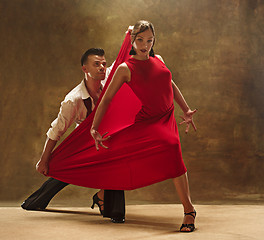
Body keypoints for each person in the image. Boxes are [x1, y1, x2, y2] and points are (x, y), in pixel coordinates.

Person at [90, 20, 197, 232]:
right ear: (131, 40)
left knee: (172, 147)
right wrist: (94, 128)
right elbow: (107, 99)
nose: (144, 44)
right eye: (140, 40)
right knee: (117, 150)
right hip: (147, 121)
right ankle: (102, 193)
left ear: (154, 40)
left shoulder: (159, 59)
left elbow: (170, 83)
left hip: (166, 117)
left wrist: (185, 109)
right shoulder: (125, 68)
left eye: (149, 40)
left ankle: (189, 210)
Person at [21, 48, 125, 223]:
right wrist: (44, 160)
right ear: (85, 69)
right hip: (85, 143)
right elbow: (56, 130)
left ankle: (114, 211)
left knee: (116, 164)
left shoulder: (109, 77)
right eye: (96, 64)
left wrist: (130, 37)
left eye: (104, 64)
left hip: (108, 139)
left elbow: (124, 58)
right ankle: (35, 201)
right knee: (63, 169)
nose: (102, 68)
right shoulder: (73, 100)